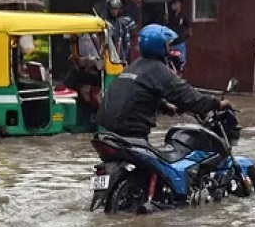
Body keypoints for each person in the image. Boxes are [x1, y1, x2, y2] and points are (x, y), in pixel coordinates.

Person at [97, 24, 229, 141]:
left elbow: (139, 93)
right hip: (131, 132)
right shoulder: (158, 69)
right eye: (167, 44)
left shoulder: (134, 66)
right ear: (159, 46)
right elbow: (185, 95)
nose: (169, 47)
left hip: (109, 130)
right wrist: (216, 104)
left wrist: (164, 106)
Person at [103, 0, 133, 64]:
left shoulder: (122, 23)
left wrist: (125, 57)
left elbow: (126, 42)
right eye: (112, 9)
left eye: (116, 9)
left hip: (120, 55)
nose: (114, 11)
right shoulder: (104, 22)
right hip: (108, 54)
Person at [166, 0, 191, 70]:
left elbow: (189, 30)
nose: (174, 5)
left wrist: (183, 37)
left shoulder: (184, 16)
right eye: (173, 3)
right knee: (171, 65)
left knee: (180, 65)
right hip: (171, 44)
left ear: (180, 4)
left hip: (180, 44)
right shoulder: (170, 16)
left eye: (176, 3)